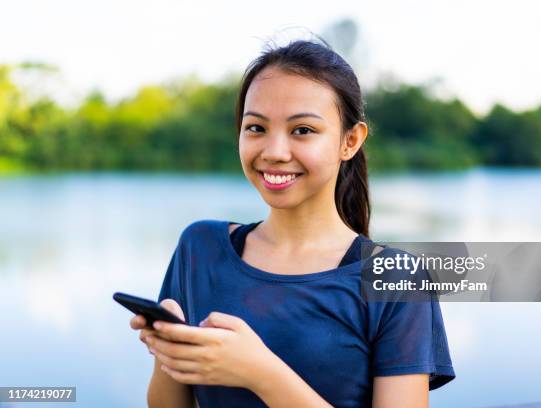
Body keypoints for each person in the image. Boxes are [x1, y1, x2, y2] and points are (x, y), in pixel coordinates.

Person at [129, 38, 455, 407]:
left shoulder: (396, 276)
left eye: (302, 130)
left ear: (350, 140)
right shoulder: (200, 247)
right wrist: (169, 352)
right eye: (256, 128)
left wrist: (260, 373)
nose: (274, 152)